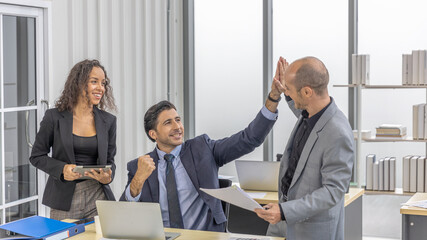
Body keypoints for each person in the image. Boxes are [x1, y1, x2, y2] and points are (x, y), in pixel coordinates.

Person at [119, 72, 286, 232]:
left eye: (178, 120)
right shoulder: (138, 167)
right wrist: (138, 179)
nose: (177, 127)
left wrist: (273, 98)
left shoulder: (202, 149)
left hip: (204, 236)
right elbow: (123, 213)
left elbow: (248, 139)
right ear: (153, 134)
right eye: (168, 123)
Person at [254, 56, 354, 240]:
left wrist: (284, 211)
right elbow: (298, 107)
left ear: (307, 92)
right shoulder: (311, 113)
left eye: (289, 89)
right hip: (284, 227)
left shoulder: (338, 132)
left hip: (311, 232)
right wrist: (282, 89)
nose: (288, 93)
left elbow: (333, 191)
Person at [29, 59, 117, 220]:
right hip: (64, 199)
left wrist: (108, 177)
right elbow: (36, 156)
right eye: (94, 82)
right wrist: (62, 169)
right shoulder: (54, 117)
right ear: (79, 83)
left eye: (103, 83)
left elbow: (110, 161)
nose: (101, 88)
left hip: (97, 195)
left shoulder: (108, 121)